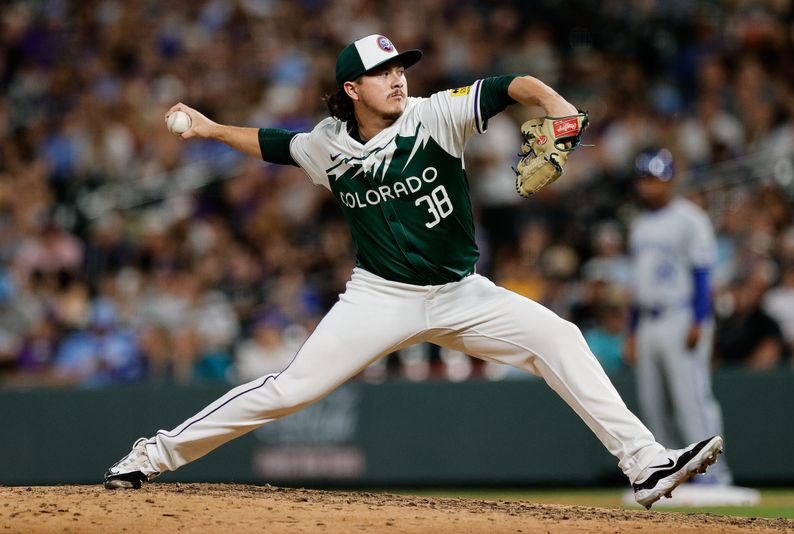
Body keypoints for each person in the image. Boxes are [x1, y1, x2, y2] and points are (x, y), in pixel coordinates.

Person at [103, 35, 722, 509]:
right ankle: (148, 456)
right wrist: (210, 129)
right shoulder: (326, 144)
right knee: (288, 390)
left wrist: (558, 106)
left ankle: (645, 465)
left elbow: (515, 85)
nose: (398, 79)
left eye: (401, 68)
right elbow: (272, 143)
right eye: (382, 73)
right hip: (380, 296)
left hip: (461, 293)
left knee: (559, 337)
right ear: (352, 88)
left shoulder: (437, 115)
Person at [626, 148, 732, 485]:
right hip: (648, 321)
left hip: (681, 315)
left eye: (655, 179)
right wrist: (630, 331)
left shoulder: (690, 218)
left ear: (670, 181)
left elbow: (703, 275)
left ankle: (714, 474)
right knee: (652, 403)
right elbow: (635, 283)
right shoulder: (639, 224)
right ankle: (668, 474)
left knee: (692, 399)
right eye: (644, 180)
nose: (649, 187)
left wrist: (700, 320)